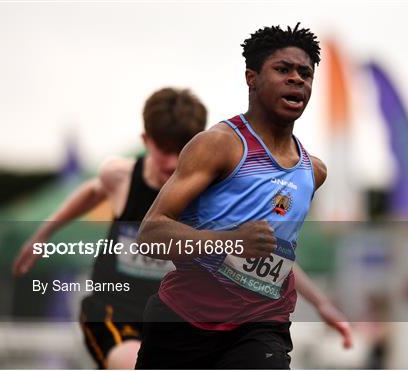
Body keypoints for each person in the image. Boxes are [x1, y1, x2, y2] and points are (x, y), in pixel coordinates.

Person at [13, 86, 351, 369]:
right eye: (164, 151)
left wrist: (320, 302)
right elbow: (88, 193)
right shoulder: (121, 176)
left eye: (182, 151)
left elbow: (266, 256)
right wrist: (41, 235)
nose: (173, 162)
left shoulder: (209, 192)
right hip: (115, 313)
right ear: (146, 141)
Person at [135, 23, 338, 369]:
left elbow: (276, 257)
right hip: (183, 322)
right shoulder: (218, 146)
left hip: (261, 327)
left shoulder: (312, 172)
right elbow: (150, 235)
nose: (297, 80)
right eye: (283, 69)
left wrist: (320, 302)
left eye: (306, 73)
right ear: (252, 77)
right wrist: (228, 242)